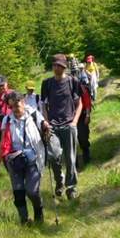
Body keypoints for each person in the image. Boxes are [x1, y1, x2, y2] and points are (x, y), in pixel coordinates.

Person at [40, 54, 83, 200]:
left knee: (70, 158)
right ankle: (60, 181)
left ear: (64, 67)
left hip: (69, 124)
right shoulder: (47, 83)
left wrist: (74, 122)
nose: (56, 68)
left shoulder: (73, 81)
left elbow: (79, 103)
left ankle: (71, 188)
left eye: (59, 66)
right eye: (55, 65)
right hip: (52, 126)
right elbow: (43, 105)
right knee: (53, 156)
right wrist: (46, 121)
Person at [3, 92, 48, 225]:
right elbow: (4, 143)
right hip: (14, 160)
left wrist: (45, 127)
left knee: (32, 191)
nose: (14, 109)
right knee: (18, 192)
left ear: (23, 103)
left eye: (17, 106)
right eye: (11, 107)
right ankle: (24, 220)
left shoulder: (33, 115)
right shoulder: (7, 120)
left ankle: (38, 212)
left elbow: (43, 124)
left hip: (33, 158)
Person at [75, 55, 99, 163]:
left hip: (82, 115)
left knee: (83, 137)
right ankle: (74, 161)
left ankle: (86, 152)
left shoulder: (82, 89)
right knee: (72, 140)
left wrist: (88, 115)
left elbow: (87, 102)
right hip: (70, 116)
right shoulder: (66, 88)